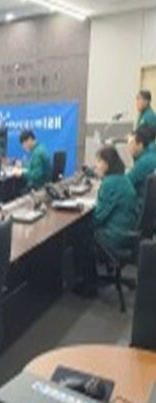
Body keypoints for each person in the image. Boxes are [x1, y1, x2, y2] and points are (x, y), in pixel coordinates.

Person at [72, 146, 138, 297]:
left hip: (115, 236)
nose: (96, 165)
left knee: (79, 234)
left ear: (107, 164)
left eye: (99, 161)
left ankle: (89, 285)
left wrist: (81, 211)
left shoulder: (109, 183)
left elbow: (98, 219)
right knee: (83, 229)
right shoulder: (122, 179)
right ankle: (89, 279)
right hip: (127, 232)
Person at [126, 125, 156, 209]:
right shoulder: (150, 154)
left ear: (140, 145)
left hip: (139, 206)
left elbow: (126, 182)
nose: (128, 147)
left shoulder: (144, 162)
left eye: (131, 144)